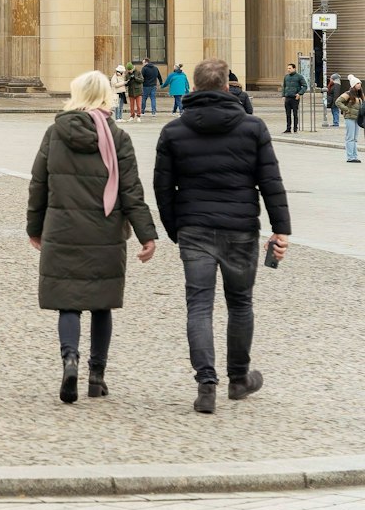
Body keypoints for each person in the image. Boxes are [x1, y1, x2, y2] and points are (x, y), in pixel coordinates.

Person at [154, 57, 291, 414]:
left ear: (195, 87)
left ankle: (206, 384)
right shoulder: (253, 127)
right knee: (240, 303)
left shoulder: (173, 131)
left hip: (194, 228)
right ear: (227, 87)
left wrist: (175, 228)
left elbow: (162, 188)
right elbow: (271, 182)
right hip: (240, 227)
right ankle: (239, 378)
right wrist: (281, 229)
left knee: (199, 305)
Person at [27, 71, 157, 404]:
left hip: (62, 229)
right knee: (101, 304)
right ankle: (96, 376)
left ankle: (70, 359)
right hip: (105, 231)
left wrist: (34, 228)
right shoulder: (117, 137)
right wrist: (147, 234)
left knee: (68, 303)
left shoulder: (55, 133)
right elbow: (131, 190)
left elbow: (38, 184)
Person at [341, 79, 363, 164]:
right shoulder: (348, 94)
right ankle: (350, 157)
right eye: (357, 83)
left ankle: (355, 156)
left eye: (360, 83)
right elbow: (338, 102)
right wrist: (346, 109)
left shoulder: (360, 94)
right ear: (353, 85)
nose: (359, 85)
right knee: (350, 137)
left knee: (355, 138)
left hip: (357, 118)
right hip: (349, 117)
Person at [280, 63, 307, 134]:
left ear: (294, 69)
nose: (288, 70)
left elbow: (305, 86)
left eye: (290, 68)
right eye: (288, 68)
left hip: (295, 98)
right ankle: (288, 128)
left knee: (295, 114)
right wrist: (283, 95)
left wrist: (299, 93)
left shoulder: (299, 77)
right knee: (288, 114)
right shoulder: (286, 77)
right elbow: (284, 87)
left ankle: (295, 129)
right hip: (287, 97)